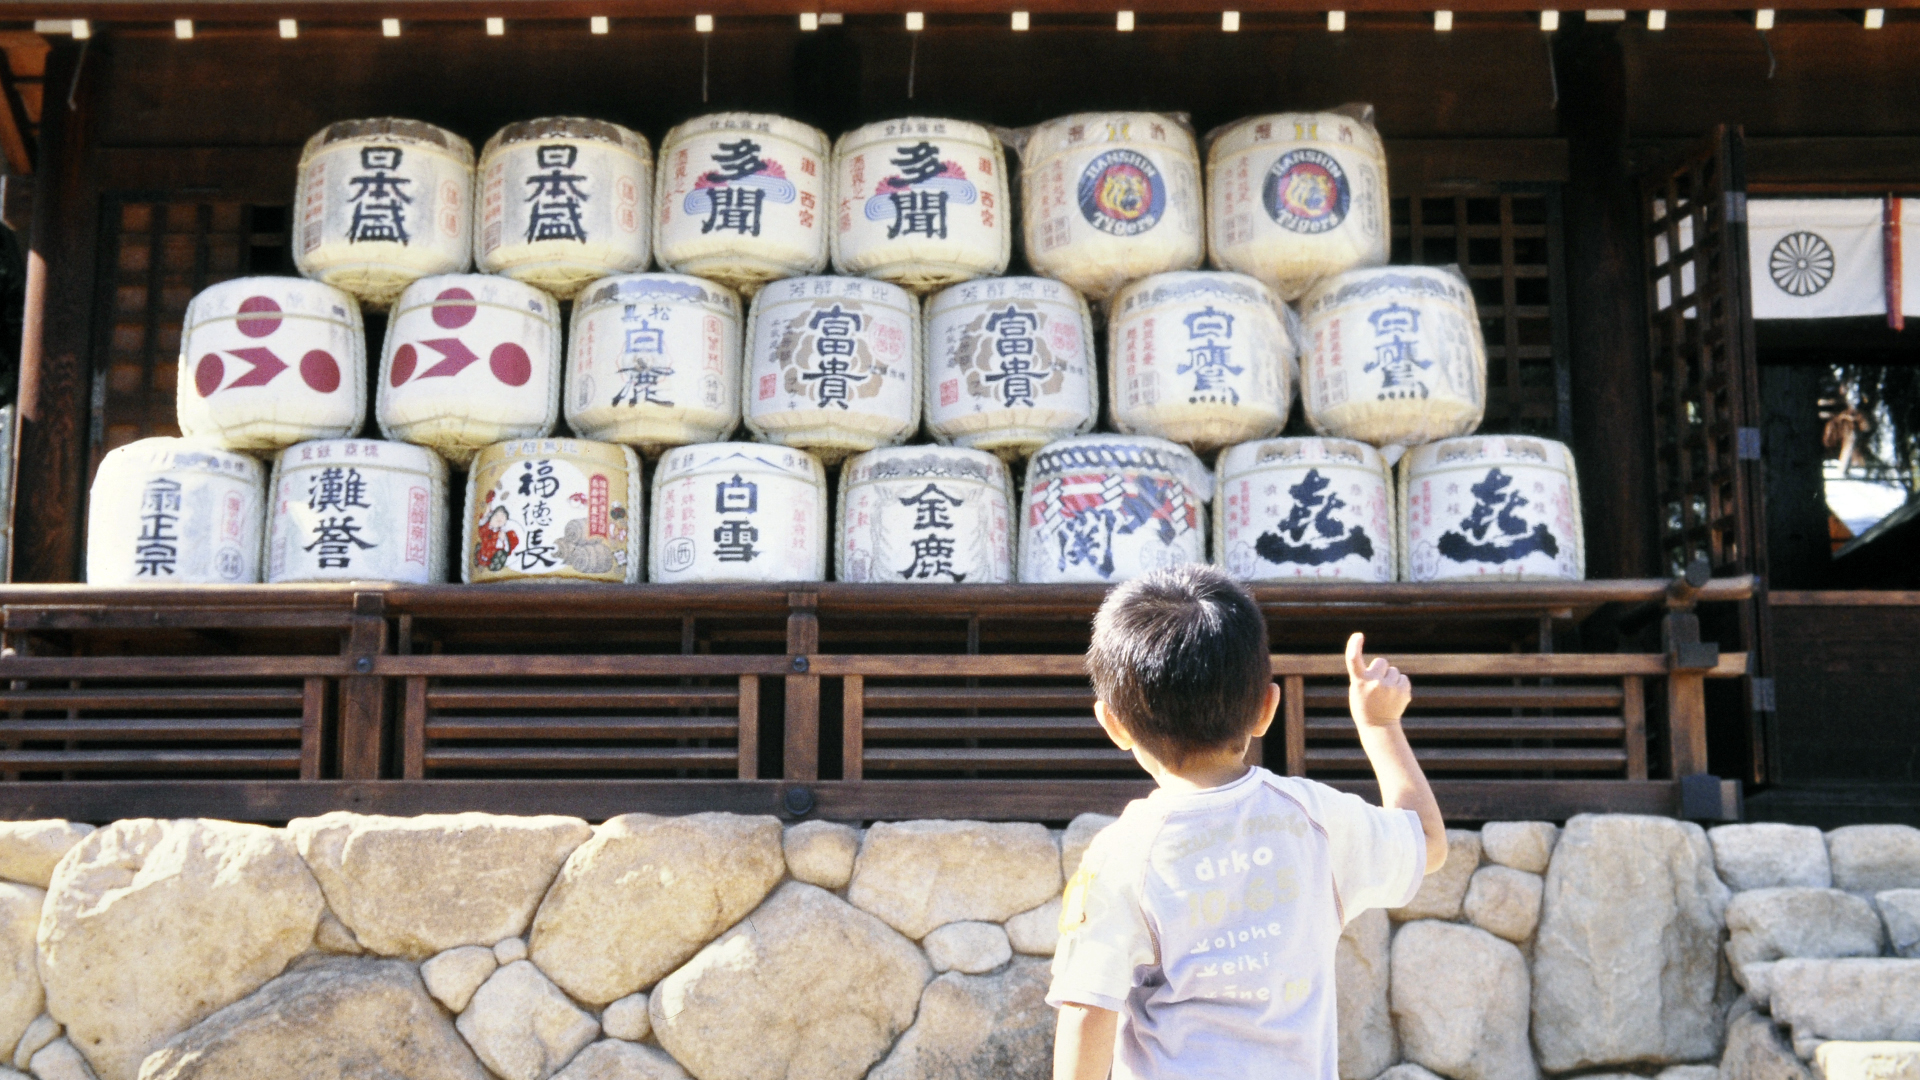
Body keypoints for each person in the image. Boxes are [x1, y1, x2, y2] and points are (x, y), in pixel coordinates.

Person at [1050, 565, 1447, 1080]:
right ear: (1267, 708)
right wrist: (1380, 725)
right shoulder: (1314, 820)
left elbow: (1087, 1008)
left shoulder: (1121, 853)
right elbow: (1428, 844)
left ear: (1114, 724)